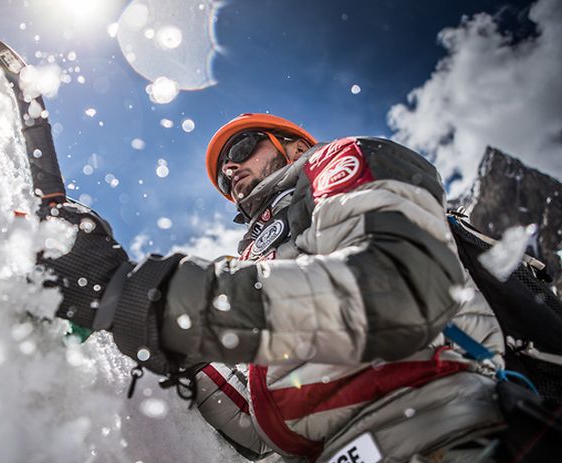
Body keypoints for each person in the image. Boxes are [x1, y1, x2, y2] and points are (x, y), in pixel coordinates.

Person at [39, 113, 506, 462]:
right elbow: (261, 430)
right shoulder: (257, 263)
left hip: (441, 429)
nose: (231, 168)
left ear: (291, 143)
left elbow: (400, 290)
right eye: (224, 171)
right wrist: (172, 350)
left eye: (242, 147)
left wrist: (140, 295)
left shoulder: (339, 162)